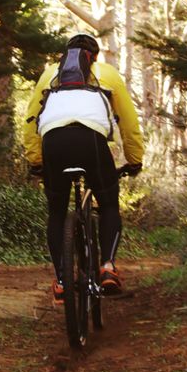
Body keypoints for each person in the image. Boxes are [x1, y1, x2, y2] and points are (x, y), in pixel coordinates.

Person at [23, 33, 144, 304]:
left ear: (66, 56)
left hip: (53, 141)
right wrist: (134, 159)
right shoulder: (106, 73)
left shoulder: (50, 74)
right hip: (91, 141)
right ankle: (108, 268)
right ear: (94, 56)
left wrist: (36, 161)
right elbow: (128, 121)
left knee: (56, 212)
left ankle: (63, 281)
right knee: (109, 203)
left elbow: (32, 119)